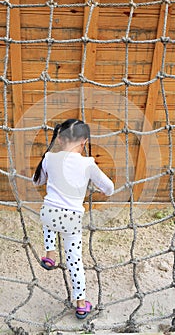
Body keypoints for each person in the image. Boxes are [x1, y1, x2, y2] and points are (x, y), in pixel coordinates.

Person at [32, 118, 114, 319]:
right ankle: (80, 302)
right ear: (84, 141)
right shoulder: (87, 163)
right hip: (72, 218)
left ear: (59, 138)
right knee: (74, 261)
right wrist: (101, 190)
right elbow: (109, 187)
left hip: (49, 212)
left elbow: (37, 181)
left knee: (49, 217)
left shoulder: (49, 157)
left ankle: (50, 255)